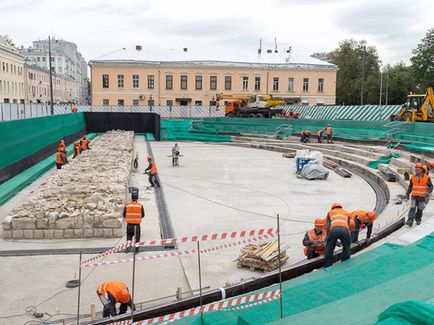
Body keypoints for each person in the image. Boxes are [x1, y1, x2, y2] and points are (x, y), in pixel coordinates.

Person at [324, 202, 351, 268]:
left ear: (333, 208)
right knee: (346, 247)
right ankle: (345, 263)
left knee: (329, 247)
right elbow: (348, 225)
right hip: (345, 230)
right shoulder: (347, 213)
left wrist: (329, 238)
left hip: (334, 229)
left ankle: (328, 265)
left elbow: (328, 226)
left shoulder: (330, 212)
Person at [123, 188, 144, 253]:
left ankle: (128, 247)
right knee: (137, 238)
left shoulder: (127, 205)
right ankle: (136, 250)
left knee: (129, 236)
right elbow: (142, 215)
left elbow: (124, 215)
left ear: (131, 197)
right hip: (137, 225)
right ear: (137, 197)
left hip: (129, 225)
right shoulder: (140, 206)